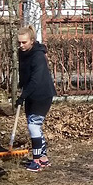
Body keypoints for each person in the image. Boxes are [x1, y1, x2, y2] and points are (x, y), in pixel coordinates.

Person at [16, 25, 56, 172]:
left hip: (42, 94)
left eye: (24, 42)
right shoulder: (23, 53)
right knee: (34, 127)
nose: (21, 45)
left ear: (32, 41)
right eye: (19, 42)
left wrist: (22, 96)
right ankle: (44, 159)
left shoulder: (38, 56)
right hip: (31, 93)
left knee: (33, 126)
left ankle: (37, 161)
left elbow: (36, 79)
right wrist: (21, 85)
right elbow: (24, 72)